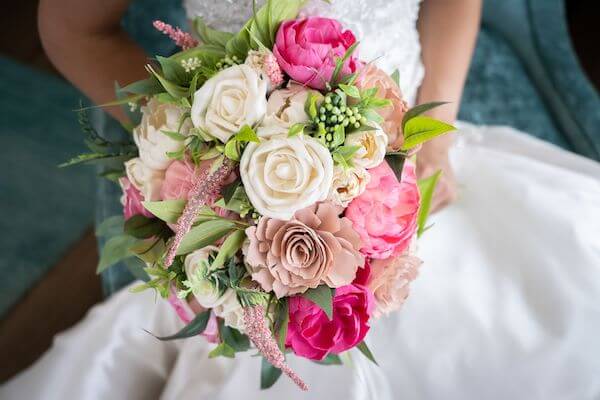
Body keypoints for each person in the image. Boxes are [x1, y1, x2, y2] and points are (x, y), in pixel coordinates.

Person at [2, 0, 599, 399]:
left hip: (416, 165)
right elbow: (72, 28)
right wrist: (184, 137)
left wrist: (432, 143)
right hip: (252, 224)